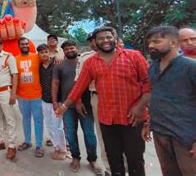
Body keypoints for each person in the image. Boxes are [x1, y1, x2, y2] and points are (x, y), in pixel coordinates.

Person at [56, 27, 150, 176]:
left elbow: (149, 83)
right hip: (107, 118)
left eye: (108, 37)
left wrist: (140, 108)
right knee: (113, 158)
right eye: (101, 38)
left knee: (135, 159)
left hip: (132, 118)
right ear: (95, 42)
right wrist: (64, 106)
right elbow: (79, 86)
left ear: (115, 38)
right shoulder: (90, 62)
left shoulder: (134, 56)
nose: (105, 41)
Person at [142, 26, 196, 176]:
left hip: (186, 137)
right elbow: (157, 96)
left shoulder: (190, 67)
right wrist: (149, 122)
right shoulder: (153, 68)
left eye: (156, 41)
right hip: (161, 133)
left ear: (173, 43)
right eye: (149, 42)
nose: (151, 46)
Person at [52, 40, 100, 173]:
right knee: (70, 134)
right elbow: (55, 84)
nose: (69, 51)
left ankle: (92, 159)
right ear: (63, 51)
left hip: (86, 104)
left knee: (89, 133)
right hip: (67, 106)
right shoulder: (59, 65)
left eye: (71, 48)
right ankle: (75, 157)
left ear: (76, 48)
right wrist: (55, 102)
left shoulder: (85, 62)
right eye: (66, 49)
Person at [76, 33, 110, 173]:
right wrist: (77, 101)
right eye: (93, 41)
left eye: (98, 40)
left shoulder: (123, 56)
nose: (95, 43)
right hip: (96, 98)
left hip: (120, 99)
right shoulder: (86, 58)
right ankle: (109, 168)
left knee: (125, 136)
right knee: (102, 134)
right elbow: (78, 82)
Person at [15, 37, 44, 157]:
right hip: (22, 96)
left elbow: (49, 57)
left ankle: (39, 145)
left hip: (37, 95)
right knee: (25, 120)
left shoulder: (36, 57)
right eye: (22, 44)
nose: (25, 45)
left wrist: (57, 57)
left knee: (38, 121)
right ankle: (27, 141)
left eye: (26, 43)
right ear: (19, 46)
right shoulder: (15, 59)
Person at [37, 44, 67, 160]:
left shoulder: (56, 64)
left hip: (57, 101)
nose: (44, 54)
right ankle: (56, 147)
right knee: (49, 125)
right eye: (41, 52)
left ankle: (63, 149)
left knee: (58, 126)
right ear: (39, 54)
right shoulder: (39, 66)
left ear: (49, 52)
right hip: (45, 100)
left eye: (45, 52)